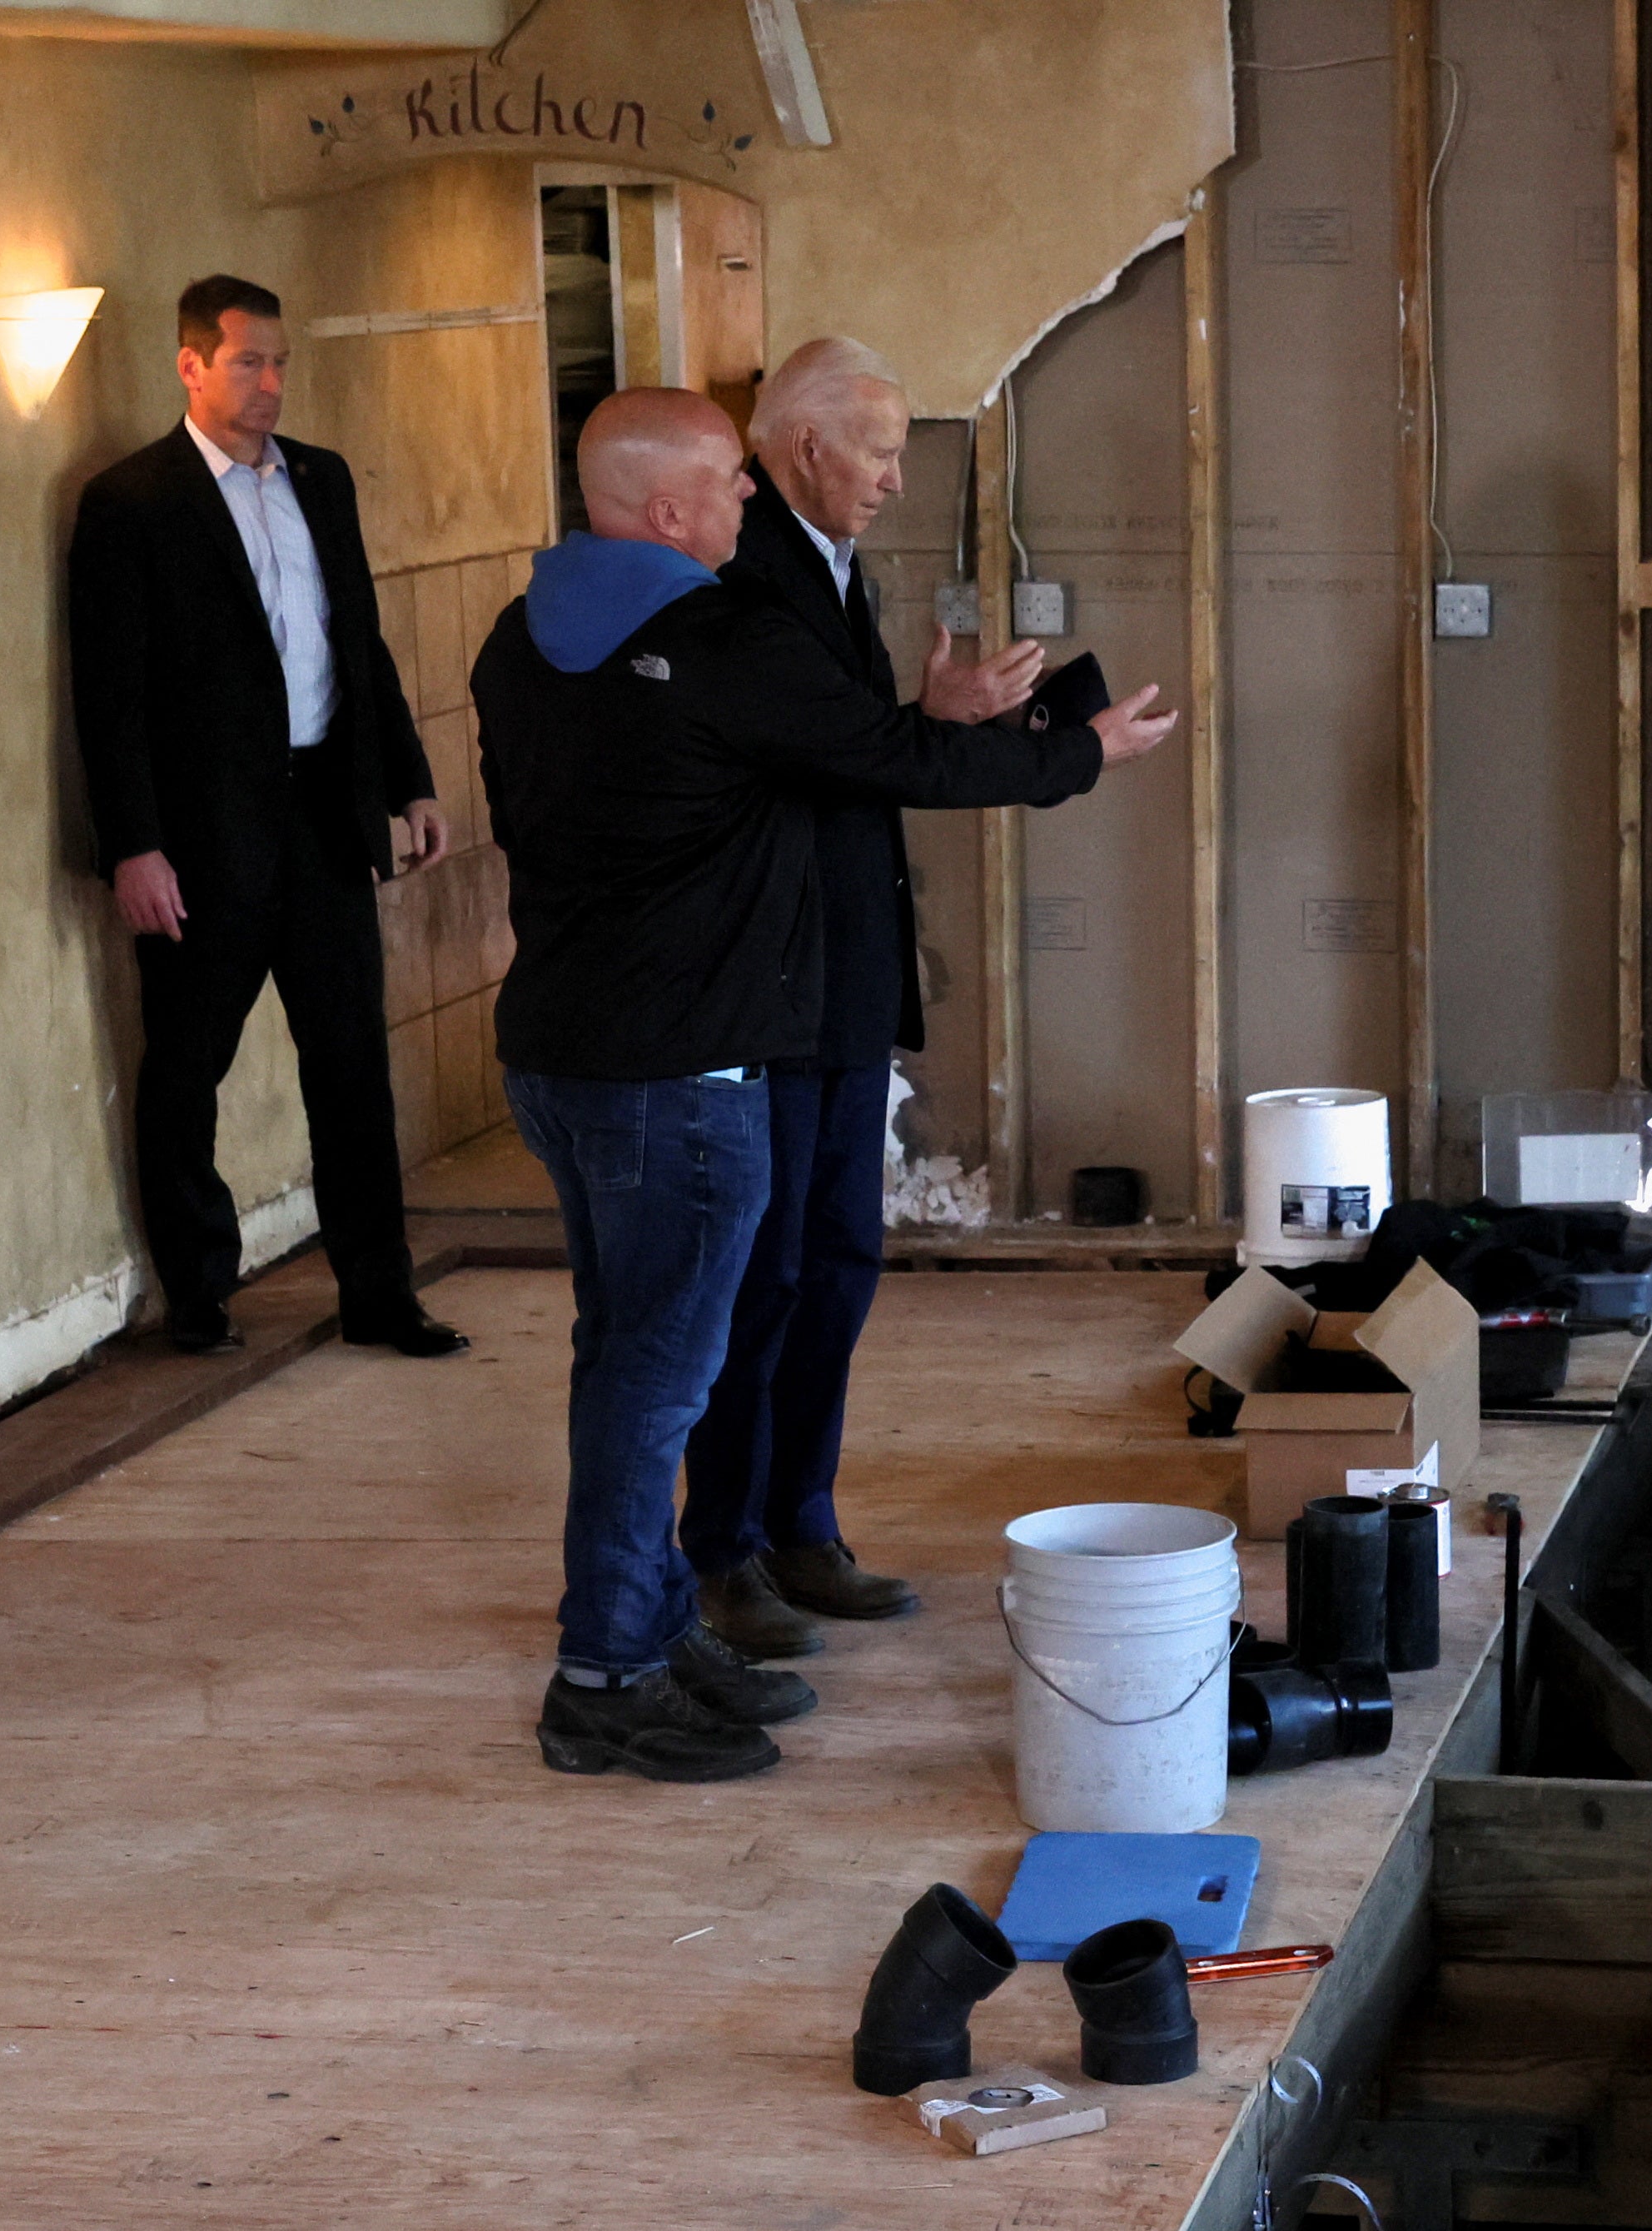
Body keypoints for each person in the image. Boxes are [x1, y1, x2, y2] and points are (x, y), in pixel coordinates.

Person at [475, 388, 1175, 1781]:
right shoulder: (720, 636)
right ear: (666, 510)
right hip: (685, 1078)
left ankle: (653, 1622)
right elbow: (891, 760)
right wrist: (1075, 754)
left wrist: (922, 720)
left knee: (628, 1363)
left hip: (565, 1053)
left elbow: (786, 762)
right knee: (657, 1382)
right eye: (729, 484)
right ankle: (604, 1673)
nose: (748, 501)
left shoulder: (522, 635)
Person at [678, 338, 1042, 1662]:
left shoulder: (834, 563)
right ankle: (720, 1549)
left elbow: (844, 751)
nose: (896, 477)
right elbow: (837, 754)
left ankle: (802, 1523)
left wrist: (924, 710)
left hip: (840, 982)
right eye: (880, 449)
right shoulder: (750, 571)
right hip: (773, 989)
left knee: (836, 1266)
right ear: (804, 447)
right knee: (761, 1279)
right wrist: (1013, 744)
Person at [70, 274, 468, 1359]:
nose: (272, 383)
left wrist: (410, 782)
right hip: (202, 840)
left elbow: (360, 647)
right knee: (188, 1064)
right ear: (192, 364)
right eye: (249, 361)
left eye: (282, 361)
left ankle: (380, 1297)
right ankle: (197, 1294)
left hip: (327, 820)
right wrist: (134, 846)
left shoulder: (322, 482)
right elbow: (110, 697)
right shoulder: (132, 502)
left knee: (351, 1067)